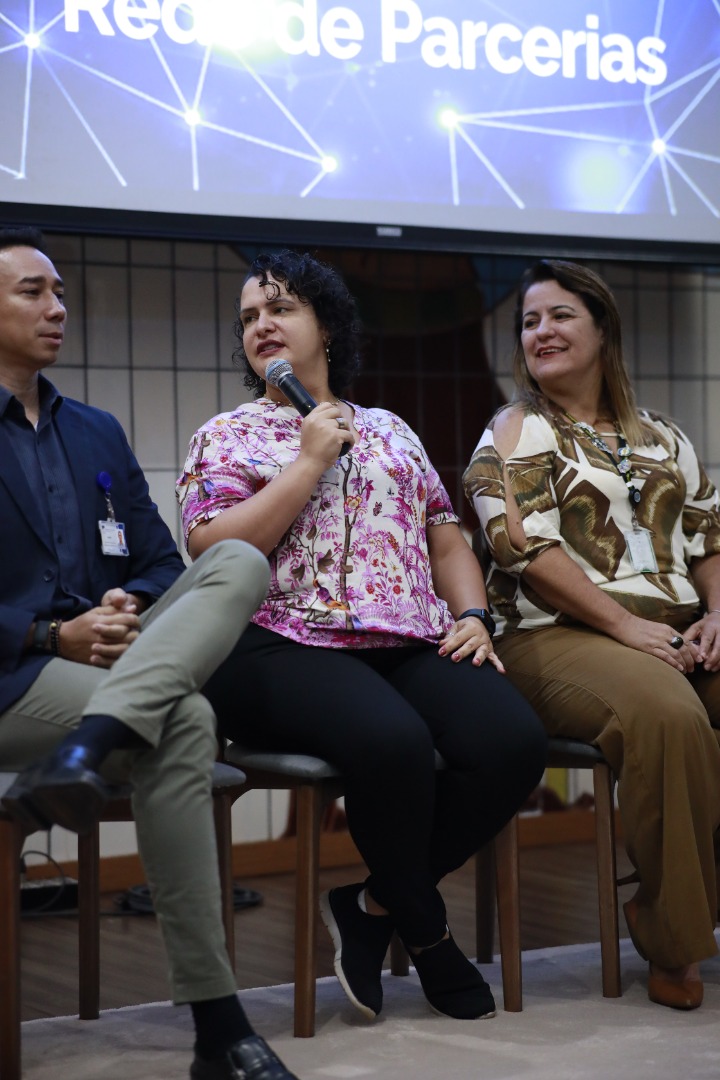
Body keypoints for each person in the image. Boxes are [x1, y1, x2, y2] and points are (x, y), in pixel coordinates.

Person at [177, 249, 547, 1024]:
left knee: (511, 738)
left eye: (279, 308)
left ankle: (373, 902)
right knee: (394, 743)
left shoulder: (390, 431)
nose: (261, 325)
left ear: (327, 327)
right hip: (275, 642)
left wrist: (473, 616)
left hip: (406, 638)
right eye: (248, 317)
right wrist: (307, 460)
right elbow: (215, 549)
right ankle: (430, 934)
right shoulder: (229, 435)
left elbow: (446, 537)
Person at [0, 227, 300, 1080]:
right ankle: (218, 1023)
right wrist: (49, 634)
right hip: (13, 674)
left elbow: (165, 563)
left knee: (237, 558)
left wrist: (126, 607)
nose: (57, 307)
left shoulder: (94, 431)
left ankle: (87, 746)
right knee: (185, 718)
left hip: (111, 661)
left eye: (59, 292)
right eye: (33, 291)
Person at [463, 258, 720, 1012]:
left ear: (603, 328)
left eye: (559, 315)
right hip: (551, 633)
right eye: (528, 321)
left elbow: (709, 540)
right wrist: (625, 626)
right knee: (667, 713)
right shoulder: (515, 429)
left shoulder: (665, 437)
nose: (540, 331)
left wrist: (716, 616)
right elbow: (522, 549)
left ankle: (683, 900)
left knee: (683, 692)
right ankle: (674, 938)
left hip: (674, 630)